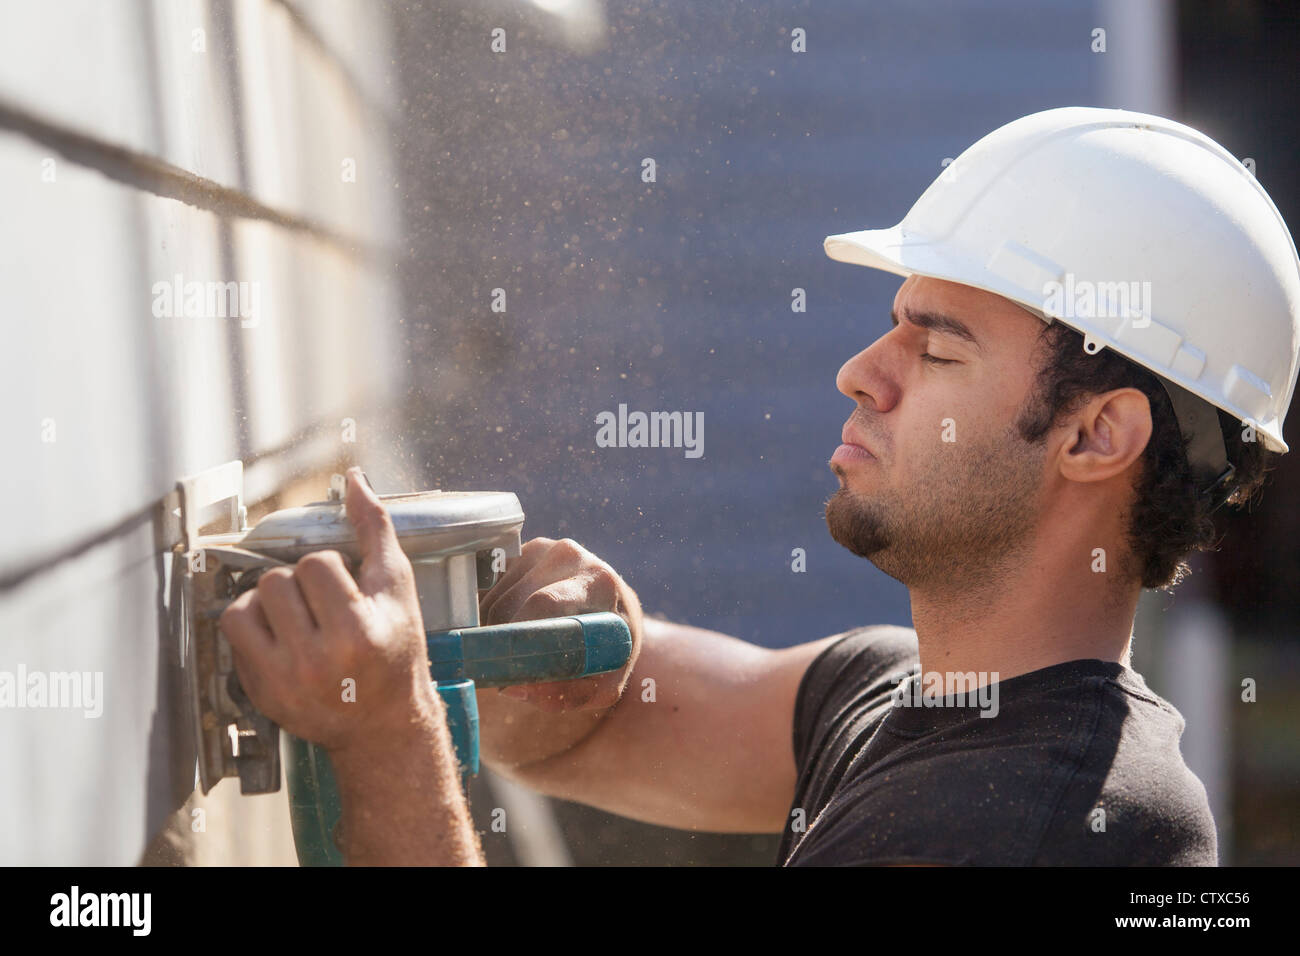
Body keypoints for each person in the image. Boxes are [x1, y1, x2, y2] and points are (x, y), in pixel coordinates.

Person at [219, 108, 1300, 865]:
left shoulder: (1051, 823)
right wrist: (565, 656)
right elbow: (581, 736)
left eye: (938, 350)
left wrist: (383, 739)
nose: (860, 373)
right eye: (893, 326)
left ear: (1095, 433)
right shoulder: (893, 699)